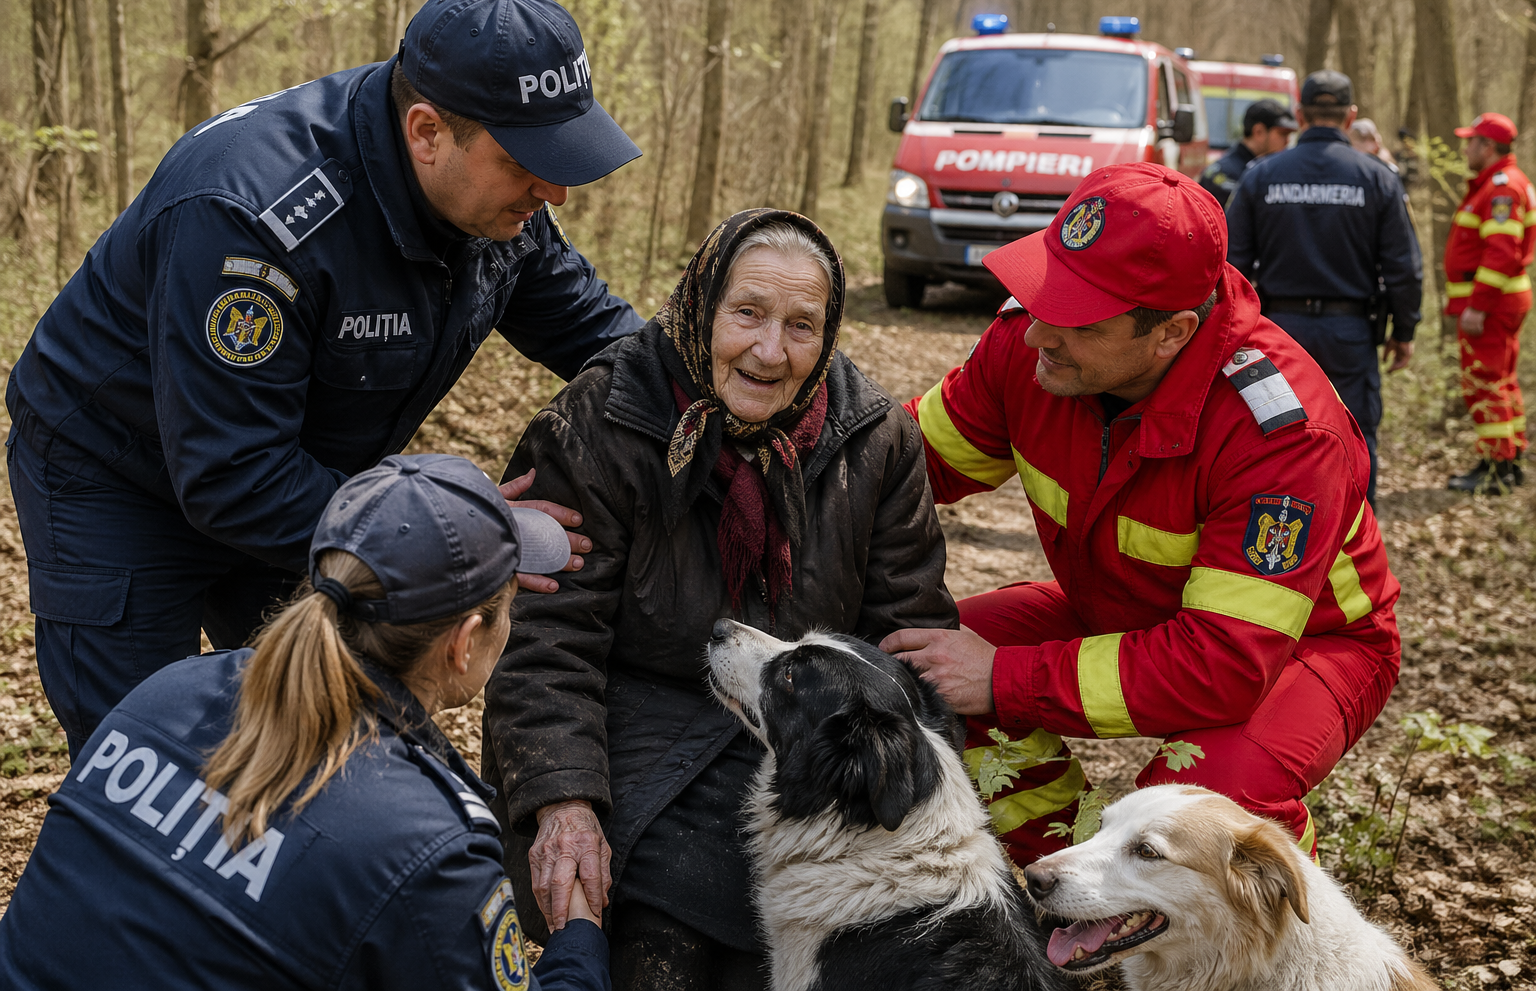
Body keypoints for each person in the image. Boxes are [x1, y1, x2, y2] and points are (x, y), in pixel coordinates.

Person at [5, 0, 639, 760]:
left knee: (345, 738)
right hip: (115, 479)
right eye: (526, 164)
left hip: (306, 475)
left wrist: (727, 389)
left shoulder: (497, 207)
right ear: (427, 131)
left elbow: (602, 339)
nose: (557, 192)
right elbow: (232, 475)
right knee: (147, 764)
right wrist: (455, 533)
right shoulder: (254, 216)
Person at [480, 209, 958, 991]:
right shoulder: (603, 419)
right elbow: (546, 641)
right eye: (748, 314)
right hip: (634, 725)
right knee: (663, 924)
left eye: (802, 325)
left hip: (798, 737)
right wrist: (563, 801)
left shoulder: (875, 441)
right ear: (703, 303)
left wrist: (915, 809)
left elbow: (910, 644)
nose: (771, 351)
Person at [879, 162, 1403, 868]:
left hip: (1304, 647)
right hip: (1123, 609)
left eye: (1075, 318)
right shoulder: (1031, 351)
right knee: (918, 666)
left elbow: (1222, 663)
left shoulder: (1283, 435)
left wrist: (1007, 677)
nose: (1037, 334)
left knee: (1198, 806)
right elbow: (906, 467)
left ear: (1170, 335)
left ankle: (1273, 958)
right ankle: (1062, 881)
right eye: (1040, 293)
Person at [0, 454, 610, 990]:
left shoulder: (173, 688)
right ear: (466, 640)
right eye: (507, 605)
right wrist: (579, 938)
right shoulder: (425, 843)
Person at [1226, 70, 1423, 504]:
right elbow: (1404, 268)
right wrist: (1404, 332)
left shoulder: (1260, 175)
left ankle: (1277, 548)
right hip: (1349, 334)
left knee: (1275, 435)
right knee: (1353, 436)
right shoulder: (1377, 178)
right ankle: (1355, 545)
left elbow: (1230, 265)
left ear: (1300, 114)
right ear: (1350, 117)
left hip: (1277, 334)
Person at [1442, 112, 1533, 493]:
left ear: (1488, 147)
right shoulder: (1500, 184)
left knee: (1485, 383)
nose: (1466, 149)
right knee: (1501, 381)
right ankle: (1509, 459)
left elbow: (1502, 252)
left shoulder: (1501, 188)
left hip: (1490, 307)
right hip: (1498, 303)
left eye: (1471, 142)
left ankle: (1496, 469)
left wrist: (1478, 305)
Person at [1198, 98, 1297, 208]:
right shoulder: (1231, 175)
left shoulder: (1244, 168)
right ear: (1258, 132)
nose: (1287, 141)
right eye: (1283, 134)